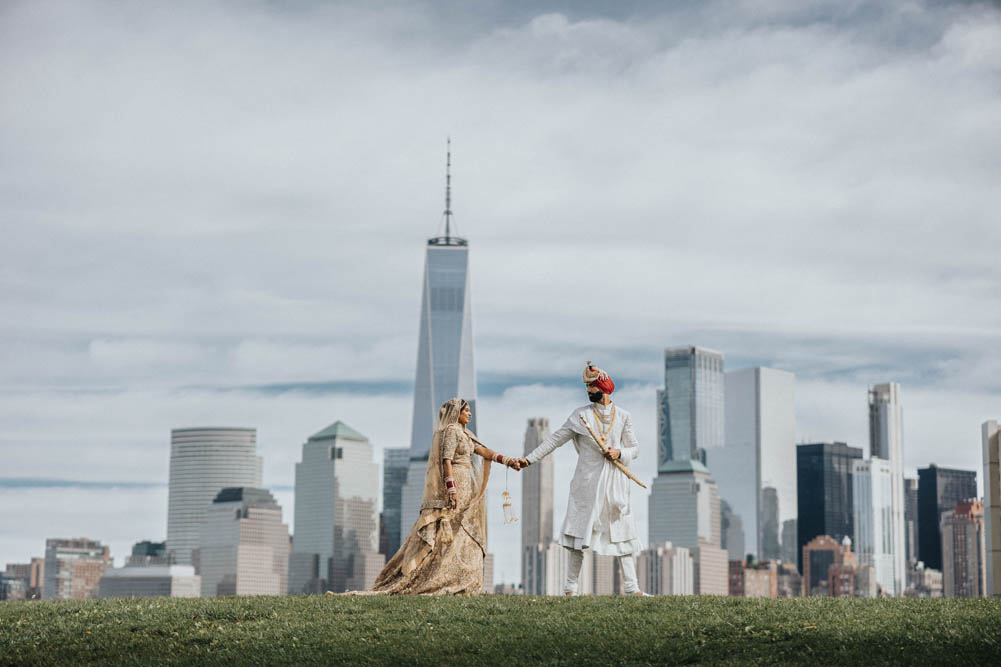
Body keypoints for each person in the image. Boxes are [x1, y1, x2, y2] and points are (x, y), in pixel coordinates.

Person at [514, 362, 648, 596]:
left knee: (623, 533)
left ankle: (632, 588)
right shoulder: (581, 416)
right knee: (578, 536)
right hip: (587, 484)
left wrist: (619, 453)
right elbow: (554, 440)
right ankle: (570, 588)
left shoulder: (623, 416)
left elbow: (634, 449)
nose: (588, 390)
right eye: (586, 386)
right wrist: (528, 460)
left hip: (615, 485)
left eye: (591, 386)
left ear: (603, 388)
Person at [367, 397, 521, 594]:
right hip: (456, 483)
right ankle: (436, 576)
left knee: (465, 530)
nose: (470, 414)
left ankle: (463, 578)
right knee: (449, 528)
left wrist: (508, 461)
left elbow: (484, 451)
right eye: (466, 410)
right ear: (456, 413)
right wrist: (451, 489)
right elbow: (446, 460)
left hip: (467, 485)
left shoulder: (466, 434)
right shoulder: (451, 431)